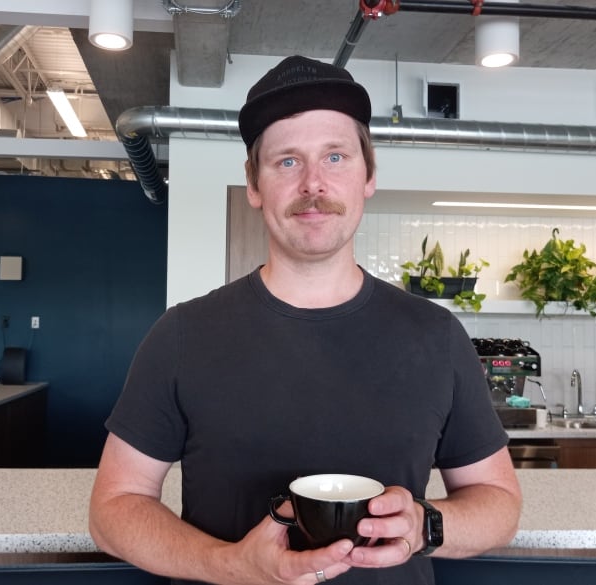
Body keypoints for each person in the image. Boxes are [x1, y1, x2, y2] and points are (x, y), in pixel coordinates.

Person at [89, 55, 522, 585]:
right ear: (254, 185)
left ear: (368, 176)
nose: (313, 184)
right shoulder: (181, 336)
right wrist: (231, 564)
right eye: (287, 162)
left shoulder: (436, 336)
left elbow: (500, 503)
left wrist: (424, 523)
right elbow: (114, 509)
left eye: (336, 157)